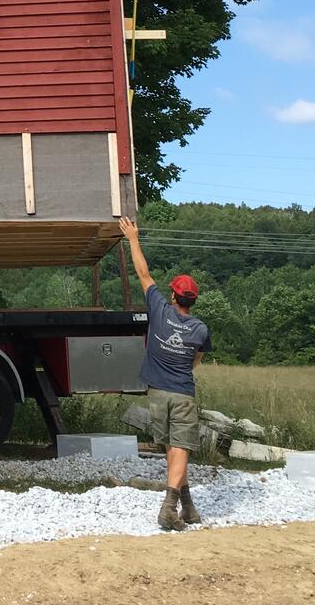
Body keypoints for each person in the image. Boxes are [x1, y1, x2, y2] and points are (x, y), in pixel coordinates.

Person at [119, 216, 212, 530]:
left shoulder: (158, 309)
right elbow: (195, 360)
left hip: (156, 392)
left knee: (174, 449)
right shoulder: (200, 329)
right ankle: (169, 507)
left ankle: (187, 506)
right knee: (181, 448)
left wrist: (132, 237)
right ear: (193, 301)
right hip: (183, 391)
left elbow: (143, 273)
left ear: (173, 296)